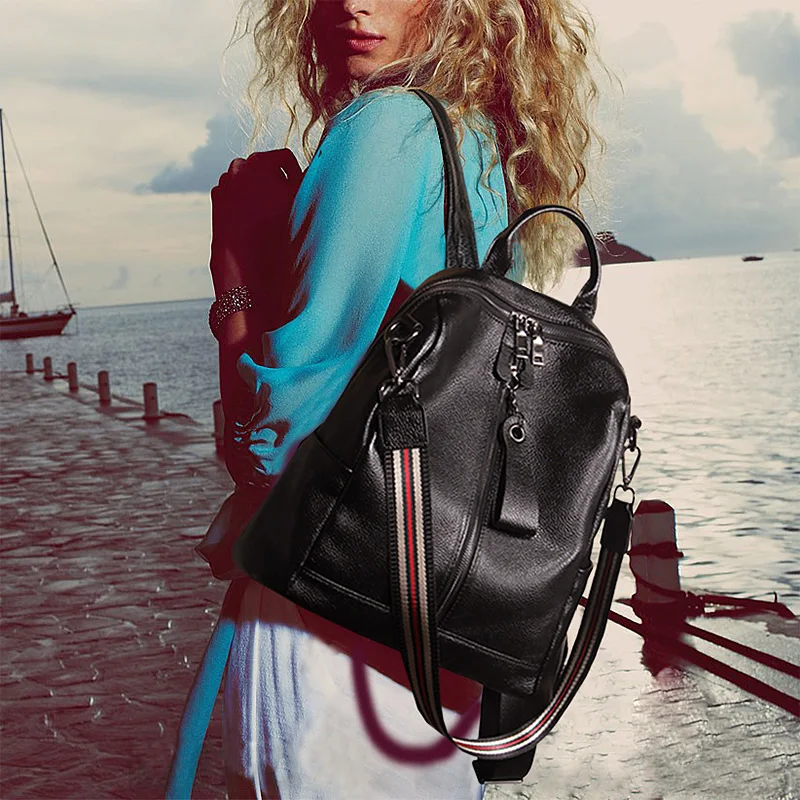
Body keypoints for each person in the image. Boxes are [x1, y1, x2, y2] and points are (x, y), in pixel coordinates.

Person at [167, 0, 607, 797]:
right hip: (437, 642)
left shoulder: (384, 128)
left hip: (329, 630)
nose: (352, 4)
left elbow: (270, 449)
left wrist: (232, 275)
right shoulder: (484, 147)